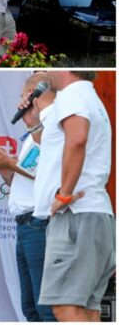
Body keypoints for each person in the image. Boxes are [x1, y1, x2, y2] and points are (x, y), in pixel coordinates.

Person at [30, 71, 115, 322]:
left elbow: (77, 139)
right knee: (88, 310)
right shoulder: (91, 98)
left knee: (66, 308)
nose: (44, 73)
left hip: (76, 214)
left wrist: (64, 195)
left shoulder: (71, 95)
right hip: (96, 212)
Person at [0, 73, 56, 321]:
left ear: (34, 96)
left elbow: (47, 175)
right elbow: (21, 179)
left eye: (23, 96)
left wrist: (9, 163)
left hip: (39, 223)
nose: (19, 103)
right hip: (23, 225)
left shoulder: (51, 130)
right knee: (30, 306)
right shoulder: (32, 138)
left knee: (45, 306)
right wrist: (2, 166)